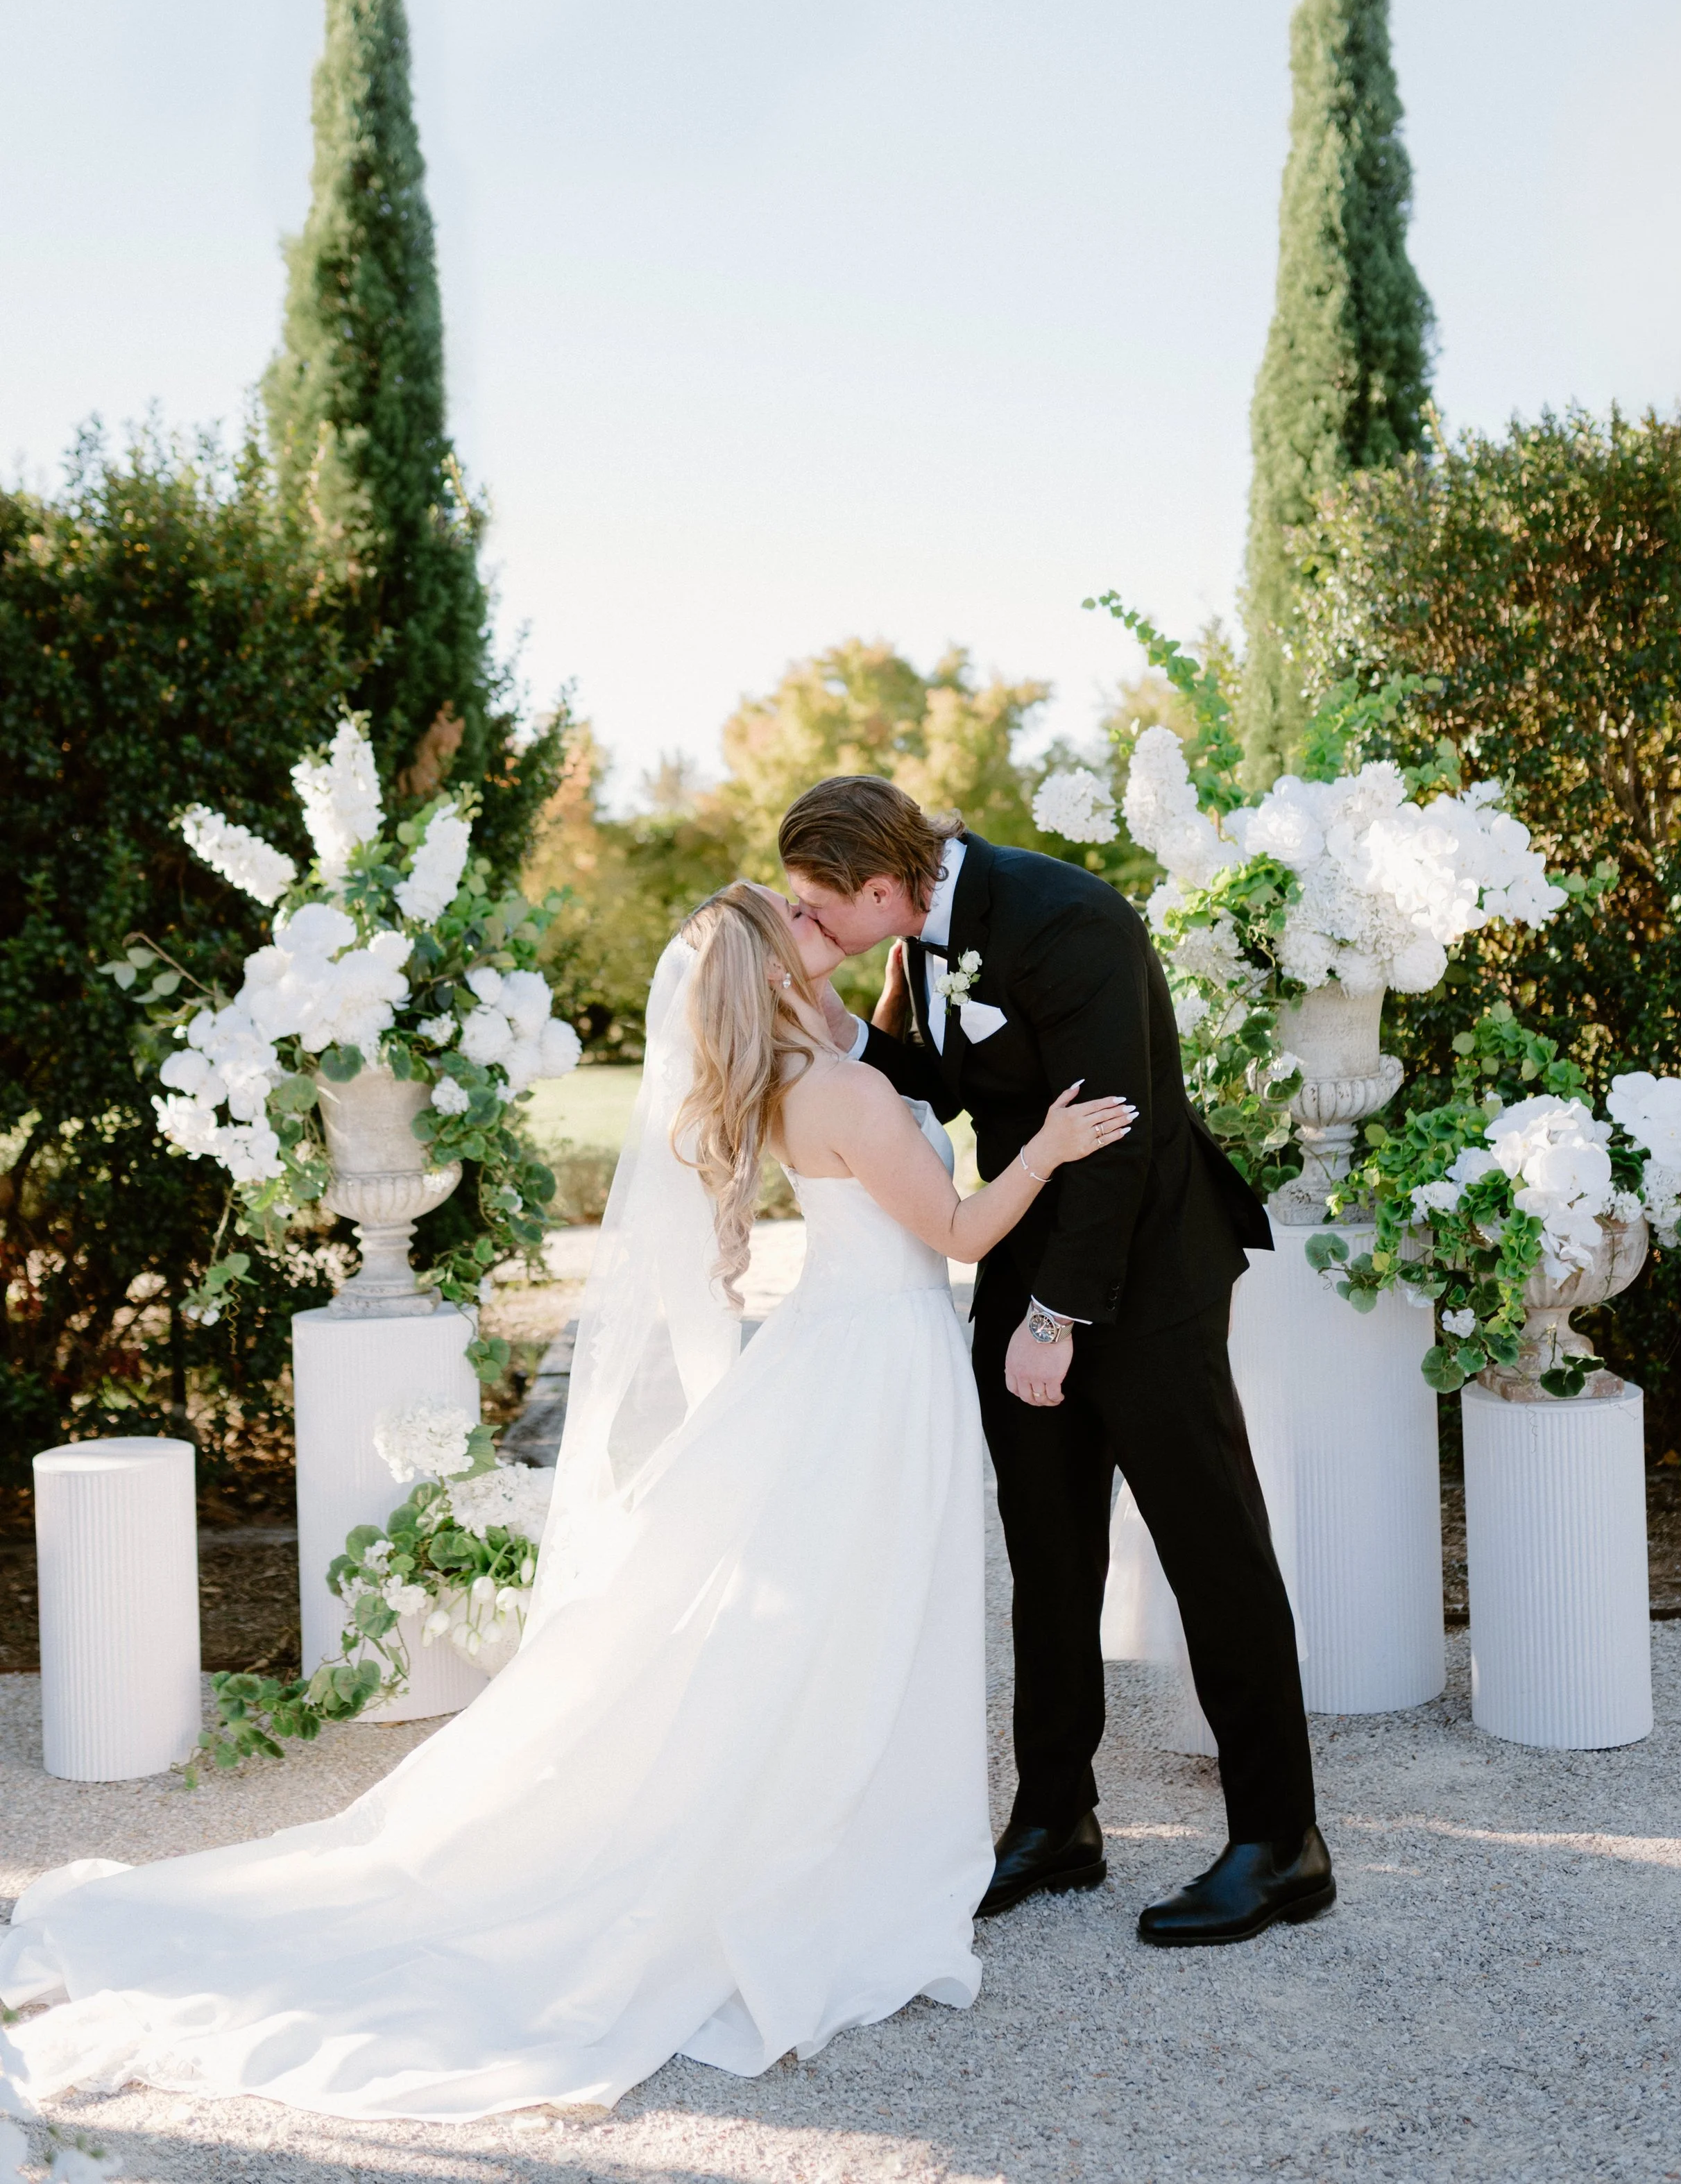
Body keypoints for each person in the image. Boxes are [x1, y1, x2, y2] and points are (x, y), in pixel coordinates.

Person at [0, 885, 1134, 2122]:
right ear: (770, 974)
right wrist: (1048, 1148)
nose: (823, 920)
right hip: (880, 1365)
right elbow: (963, 1229)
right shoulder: (848, 1094)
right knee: (866, 1608)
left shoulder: (789, 1080)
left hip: (841, 1353)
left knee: (843, 1613)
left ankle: (847, 1826)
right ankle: (845, 1845)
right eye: (800, 922)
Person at [778, 775, 1333, 1945]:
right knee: (1047, 1549)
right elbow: (939, 1082)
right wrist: (835, 1023)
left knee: (1211, 1545)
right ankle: (1056, 1816)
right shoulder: (918, 935)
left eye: (819, 909)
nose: (812, 925)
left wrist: (1055, 1320)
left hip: (1150, 1276)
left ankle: (1283, 1844)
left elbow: (1118, 1138)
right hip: (1027, 1259)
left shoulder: (1064, 918)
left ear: (882, 886)